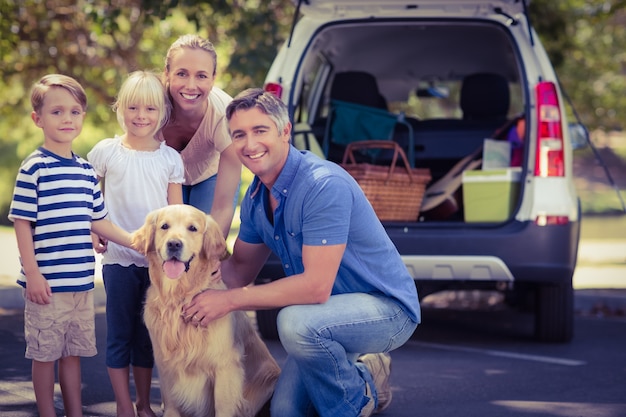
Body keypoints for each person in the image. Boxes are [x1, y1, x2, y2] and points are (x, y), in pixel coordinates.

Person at [182, 88, 421, 417]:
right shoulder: (255, 199)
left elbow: (315, 287)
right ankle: (367, 377)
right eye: (239, 135)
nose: (249, 144)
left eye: (260, 131)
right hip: (322, 317)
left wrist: (227, 301)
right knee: (284, 411)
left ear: (285, 131)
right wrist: (184, 285)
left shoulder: (322, 185)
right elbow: (237, 271)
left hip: (384, 309)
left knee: (293, 322)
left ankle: (350, 403)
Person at [8, 74, 135, 417]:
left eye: (75, 111)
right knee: (45, 354)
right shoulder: (34, 168)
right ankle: (49, 413)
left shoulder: (84, 170)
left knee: (72, 353)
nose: (67, 119)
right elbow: (22, 223)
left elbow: (99, 221)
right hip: (47, 286)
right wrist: (32, 273)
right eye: (57, 112)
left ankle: (74, 413)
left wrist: (137, 240)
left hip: (81, 285)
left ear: (83, 117)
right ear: (38, 119)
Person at [87, 71, 184, 417]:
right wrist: (93, 230)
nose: (141, 116)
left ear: (162, 113)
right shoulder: (105, 152)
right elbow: (90, 201)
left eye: (150, 109)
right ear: (120, 109)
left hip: (157, 264)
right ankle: (124, 405)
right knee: (120, 334)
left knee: (147, 338)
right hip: (118, 258)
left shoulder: (169, 159)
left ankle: (144, 403)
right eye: (133, 107)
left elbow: (176, 213)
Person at [159, 34, 241, 237]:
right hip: (162, 175)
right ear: (166, 74)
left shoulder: (224, 115)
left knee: (200, 241)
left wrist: (210, 256)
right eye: (182, 74)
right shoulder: (150, 107)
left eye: (201, 76)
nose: (191, 85)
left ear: (213, 79)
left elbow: (222, 207)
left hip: (209, 176)